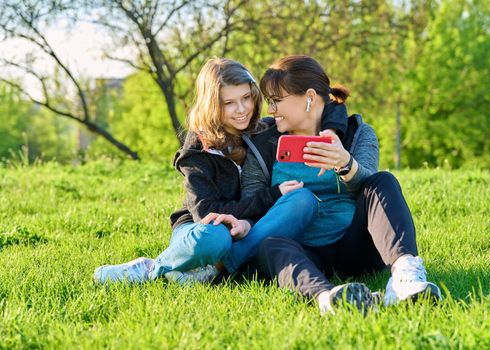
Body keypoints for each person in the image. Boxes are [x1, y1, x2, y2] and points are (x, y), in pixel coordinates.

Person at [235, 55, 441, 314]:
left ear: (309, 97)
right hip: (301, 249)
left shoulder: (358, 132)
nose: (271, 110)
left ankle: (405, 278)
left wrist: (346, 164)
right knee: (269, 245)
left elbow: (372, 194)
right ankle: (329, 298)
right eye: (269, 102)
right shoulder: (262, 141)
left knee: (383, 180)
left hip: (354, 245)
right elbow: (253, 202)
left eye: (276, 101)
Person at [93, 58, 318, 285]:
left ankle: (216, 269)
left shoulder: (264, 129)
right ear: (212, 104)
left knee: (302, 200)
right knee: (216, 237)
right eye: (228, 103)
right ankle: (154, 267)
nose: (242, 110)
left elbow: (328, 105)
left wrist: (332, 130)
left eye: (246, 98)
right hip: (200, 227)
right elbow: (207, 213)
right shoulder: (198, 147)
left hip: (251, 227)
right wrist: (271, 195)